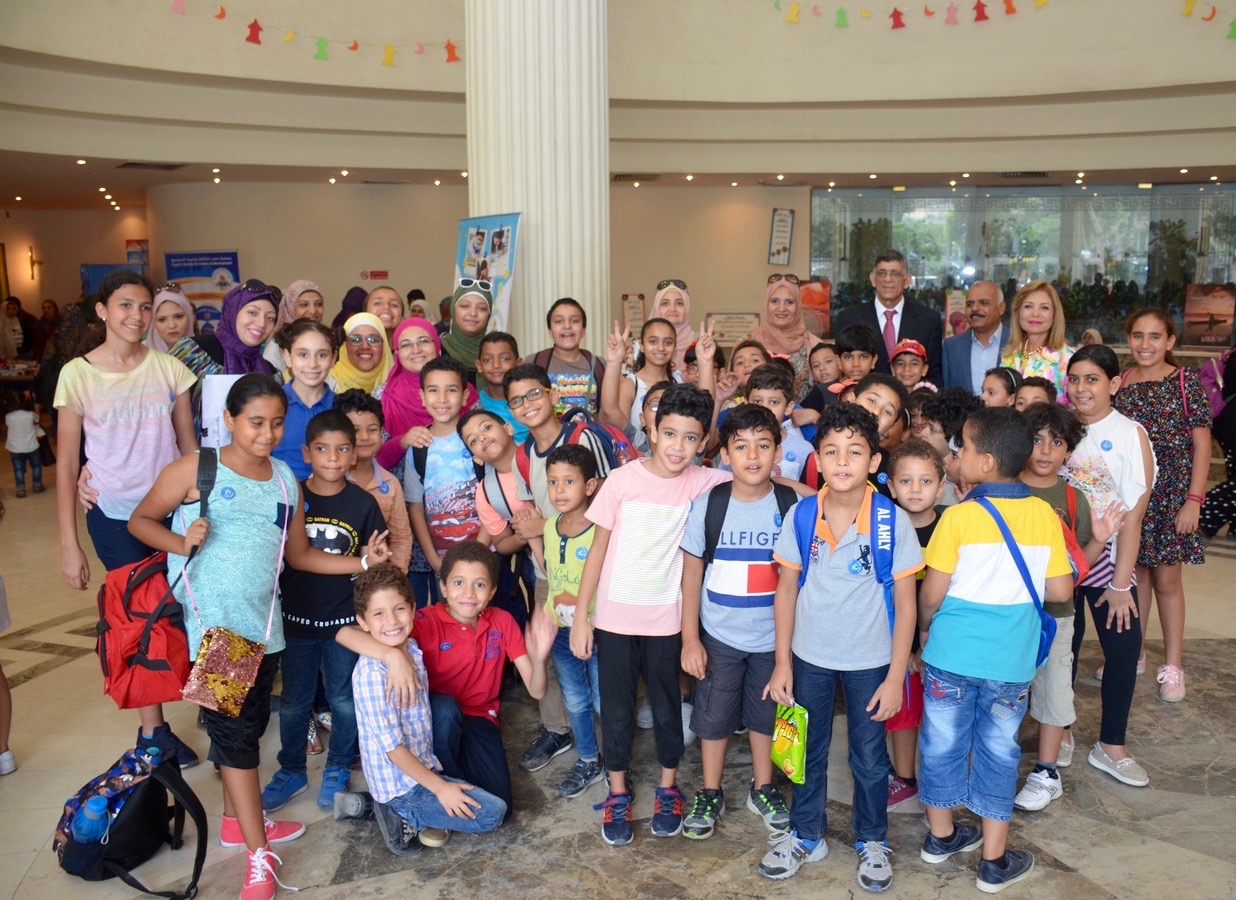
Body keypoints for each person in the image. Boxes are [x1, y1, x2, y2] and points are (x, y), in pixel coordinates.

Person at [128, 374, 391, 899]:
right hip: (218, 633)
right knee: (237, 740)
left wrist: (363, 563)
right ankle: (257, 854)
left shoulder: (285, 480)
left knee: (242, 730)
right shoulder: (197, 468)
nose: (267, 433)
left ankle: (235, 823)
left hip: (266, 629)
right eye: (255, 422)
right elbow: (140, 521)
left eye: (276, 423)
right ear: (229, 419)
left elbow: (300, 556)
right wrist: (181, 540)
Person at [759, 403, 921, 889]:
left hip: (871, 663)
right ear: (818, 459)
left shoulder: (892, 522)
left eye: (855, 451)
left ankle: (872, 839)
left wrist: (895, 677)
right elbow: (785, 590)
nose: (843, 461)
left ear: (875, 460)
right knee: (802, 751)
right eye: (831, 451)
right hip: (808, 658)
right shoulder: (803, 515)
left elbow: (907, 606)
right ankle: (806, 833)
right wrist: (782, 662)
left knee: (870, 758)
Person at [917, 406, 1073, 894]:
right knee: (999, 751)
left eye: (962, 447)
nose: (956, 454)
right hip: (1009, 662)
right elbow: (1061, 590)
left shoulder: (958, 517)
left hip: (950, 656)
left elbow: (932, 594)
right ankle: (994, 860)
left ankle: (941, 837)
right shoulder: (1044, 515)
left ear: (984, 463)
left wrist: (924, 631)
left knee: (941, 742)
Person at [570, 384, 733, 847]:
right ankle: (618, 791)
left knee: (666, 708)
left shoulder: (702, 481)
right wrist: (582, 616)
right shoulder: (622, 481)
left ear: (702, 442)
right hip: (614, 622)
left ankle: (667, 788)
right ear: (653, 431)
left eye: (690, 437)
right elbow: (596, 551)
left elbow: (753, 482)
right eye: (671, 433)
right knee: (617, 710)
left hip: (666, 623)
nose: (678, 446)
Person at [54, 270, 199, 767]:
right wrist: (69, 543)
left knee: (199, 605)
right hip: (114, 515)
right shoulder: (77, 374)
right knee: (141, 618)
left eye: (143, 307)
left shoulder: (170, 369)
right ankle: (154, 732)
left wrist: (203, 503)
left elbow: (188, 446)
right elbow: (67, 463)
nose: (136, 316)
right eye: (125, 305)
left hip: (172, 508)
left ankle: (217, 712)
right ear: (102, 311)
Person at [340, 541, 551, 817]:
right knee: (446, 708)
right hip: (435, 720)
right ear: (443, 587)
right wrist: (391, 656)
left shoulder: (502, 622)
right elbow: (344, 634)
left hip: (480, 717)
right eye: (459, 583)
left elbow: (537, 691)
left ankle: (386, 806)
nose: (468, 594)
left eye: (479, 585)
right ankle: (434, 788)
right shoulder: (424, 620)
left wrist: (539, 658)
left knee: (500, 808)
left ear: (492, 591)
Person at [679, 404, 807, 841]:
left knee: (765, 714)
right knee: (713, 716)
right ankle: (710, 791)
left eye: (763, 445)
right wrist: (690, 639)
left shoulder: (792, 505)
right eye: (741, 446)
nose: (753, 456)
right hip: (720, 636)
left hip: (774, 639)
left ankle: (763, 787)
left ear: (778, 451)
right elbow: (691, 575)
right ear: (724, 455)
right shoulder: (709, 505)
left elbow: (825, 501)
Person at [261, 410, 386, 813]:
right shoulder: (291, 496)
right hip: (296, 622)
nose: (333, 458)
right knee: (294, 702)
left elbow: (375, 565)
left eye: (342, 449)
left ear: (354, 454)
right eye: (322, 449)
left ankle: (338, 766)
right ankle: (291, 770)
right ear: (306, 453)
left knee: (343, 699)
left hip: (344, 625)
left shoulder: (363, 503)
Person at [335, 563, 508, 853]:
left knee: (490, 801)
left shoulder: (412, 649)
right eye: (378, 614)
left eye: (399, 609)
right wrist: (441, 788)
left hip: (424, 765)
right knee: (493, 813)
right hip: (401, 785)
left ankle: (366, 804)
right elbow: (393, 750)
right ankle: (398, 811)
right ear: (363, 623)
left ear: (413, 609)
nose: (392, 621)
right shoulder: (371, 675)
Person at [1014, 401, 1124, 812]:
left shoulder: (1074, 498)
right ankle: (998, 761)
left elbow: (1079, 567)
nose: (1046, 450)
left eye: (1056, 442)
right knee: (1006, 691)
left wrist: (1099, 539)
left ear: (1068, 450)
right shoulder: (1006, 486)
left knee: (1054, 692)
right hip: (1008, 613)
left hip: (1057, 616)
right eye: (1037, 439)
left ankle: (1046, 773)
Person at [504, 362, 612, 773]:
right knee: (551, 654)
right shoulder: (522, 455)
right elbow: (533, 512)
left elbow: (610, 497)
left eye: (534, 393)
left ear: (552, 395)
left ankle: (610, 750)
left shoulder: (584, 437)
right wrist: (538, 548)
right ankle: (561, 732)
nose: (527, 404)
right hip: (550, 569)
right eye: (516, 400)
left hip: (593, 568)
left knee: (600, 665)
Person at [1060, 345, 1155, 787]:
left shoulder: (1131, 433)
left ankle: (1111, 745)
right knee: (1065, 647)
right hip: (1061, 559)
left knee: (1123, 649)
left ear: (1115, 384)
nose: (1081, 388)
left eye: (1092, 379)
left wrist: (1120, 586)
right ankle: (1059, 729)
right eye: (1074, 379)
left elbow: (1133, 517)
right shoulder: (1058, 428)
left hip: (1110, 562)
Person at [1114, 309, 1210, 702]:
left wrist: (1194, 500)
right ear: (1129, 339)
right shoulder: (1121, 383)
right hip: (1133, 497)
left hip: (1172, 497)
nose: (1145, 344)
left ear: (1170, 341)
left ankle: (1173, 666)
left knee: (1168, 582)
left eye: (1155, 336)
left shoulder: (1185, 382)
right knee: (1134, 576)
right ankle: (1133, 653)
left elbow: (1202, 446)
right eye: (1138, 335)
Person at [884, 438, 947, 809]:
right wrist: (905, 650)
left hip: (942, 643)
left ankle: (942, 788)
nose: (916, 489)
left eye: (926, 481)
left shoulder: (950, 527)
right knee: (903, 714)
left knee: (942, 718)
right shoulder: (884, 529)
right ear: (891, 487)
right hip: (897, 644)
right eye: (905, 481)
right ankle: (905, 778)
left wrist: (926, 647)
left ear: (941, 487)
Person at [540, 445, 605, 799]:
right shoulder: (550, 527)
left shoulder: (601, 530)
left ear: (590, 486)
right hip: (562, 634)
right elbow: (552, 575)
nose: (559, 490)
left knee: (603, 701)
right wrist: (546, 618)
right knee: (576, 700)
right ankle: (588, 759)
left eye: (569, 481)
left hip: (597, 633)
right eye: (553, 482)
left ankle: (616, 762)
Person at [402, 356, 484, 597]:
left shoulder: (478, 440)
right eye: (433, 390)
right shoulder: (418, 448)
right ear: (422, 396)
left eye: (451, 390)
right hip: (442, 562)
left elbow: (493, 495)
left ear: (465, 396)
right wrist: (433, 560)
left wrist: (481, 550)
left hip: (484, 553)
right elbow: (415, 506)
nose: (442, 399)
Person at [168, 279, 279, 431]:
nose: (261, 323)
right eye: (252, 312)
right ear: (232, 311)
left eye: (270, 318)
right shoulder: (192, 352)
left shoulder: (270, 373)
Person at [374, 317, 478, 473]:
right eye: (406, 345)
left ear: (437, 345)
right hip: (403, 485)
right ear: (397, 353)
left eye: (423, 341)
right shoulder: (383, 395)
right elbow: (374, 459)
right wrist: (403, 441)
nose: (416, 350)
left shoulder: (463, 389)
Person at [832, 251, 944, 388]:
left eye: (895, 273)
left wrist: (916, 399)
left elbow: (934, 374)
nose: (888, 279)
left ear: (907, 281)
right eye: (882, 273)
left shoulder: (928, 320)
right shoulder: (848, 318)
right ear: (873, 279)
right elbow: (841, 371)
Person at [335, 389, 413, 573]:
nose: (364, 437)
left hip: (376, 581)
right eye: (355, 430)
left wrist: (395, 579)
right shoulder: (328, 480)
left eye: (372, 430)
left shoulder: (391, 483)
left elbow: (401, 537)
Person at [601, 318, 680, 455]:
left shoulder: (679, 381)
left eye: (668, 343)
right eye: (653, 341)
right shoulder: (631, 384)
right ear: (642, 345)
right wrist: (614, 361)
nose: (661, 348)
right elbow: (613, 416)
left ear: (675, 347)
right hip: (638, 457)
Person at [271, 321, 337, 480]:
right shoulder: (272, 405)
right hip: (281, 491)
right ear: (288, 357)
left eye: (322, 355)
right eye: (303, 355)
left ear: (333, 358)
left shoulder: (341, 406)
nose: (312, 364)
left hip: (330, 491)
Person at [745, 274, 824, 402]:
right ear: (766, 303)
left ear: (798, 305)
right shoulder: (747, 343)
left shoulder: (814, 345)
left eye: (790, 302)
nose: (782, 308)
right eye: (774, 301)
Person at [1000, 280, 1075, 402]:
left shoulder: (1067, 359)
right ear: (1018, 312)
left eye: (1044, 307)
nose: (1035, 314)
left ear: (1054, 314)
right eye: (1028, 306)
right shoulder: (1009, 354)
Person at [530, 298, 607, 416]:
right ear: (550, 331)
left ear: (583, 330)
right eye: (559, 321)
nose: (567, 326)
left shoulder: (599, 365)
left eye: (575, 321)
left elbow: (607, 410)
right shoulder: (534, 362)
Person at [742, 364, 815, 484]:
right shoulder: (737, 446)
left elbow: (813, 492)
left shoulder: (804, 450)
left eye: (774, 402)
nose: (764, 408)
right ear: (746, 404)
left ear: (788, 407)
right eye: (757, 401)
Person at [941, 281, 1009, 393]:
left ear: (1001, 308)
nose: (974, 308)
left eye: (984, 303)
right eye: (969, 304)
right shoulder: (952, 347)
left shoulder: (1017, 342)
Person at [476, 332, 528, 443]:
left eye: (505, 359)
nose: (496, 365)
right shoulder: (476, 405)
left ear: (518, 363)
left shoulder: (531, 400)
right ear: (479, 366)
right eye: (487, 360)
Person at [263, 279, 325, 371]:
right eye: (304, 305)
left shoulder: (326, 338)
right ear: (290, 308)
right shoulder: (278, 345)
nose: (313, 311)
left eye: (318, 304)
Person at [328, 312, 394, 395]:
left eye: (373, 340)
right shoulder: (326, 384)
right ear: (344, 346)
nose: (365, 346)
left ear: (384, 346)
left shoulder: (397, 386)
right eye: (356, 339)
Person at [440, 282, 493, 381]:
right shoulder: (438, 352)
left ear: (489, 315)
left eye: (482, 308)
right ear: (453, 310)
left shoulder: (495, 355)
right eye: (465, 306)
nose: (473, 313)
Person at [651, 279, 696, 372]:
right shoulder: (644, 347)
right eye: (665, 303)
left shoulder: (700, 345)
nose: (672, 309)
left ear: (687, 307)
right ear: (656, 308)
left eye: (679, 303)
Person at [5, 393, 43, 498]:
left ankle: (20, 489)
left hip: (15, 448)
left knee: (18, 469)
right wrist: (37, 408)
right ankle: (37, 485)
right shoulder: (30, 415)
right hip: (32, 446)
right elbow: (37, 419)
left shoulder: (8, 417)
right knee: (36, 465)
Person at [144, 284, 195, 353]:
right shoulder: (139, 355)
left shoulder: (205, 349)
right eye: (162, 320)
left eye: (178, 317)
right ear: (153, 324)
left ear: (189, 316)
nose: (172, 325)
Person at [801, 342, 841, 413]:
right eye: (816, 366)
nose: (822, 368)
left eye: (828, 361)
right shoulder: (818, 392)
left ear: (839, 361)